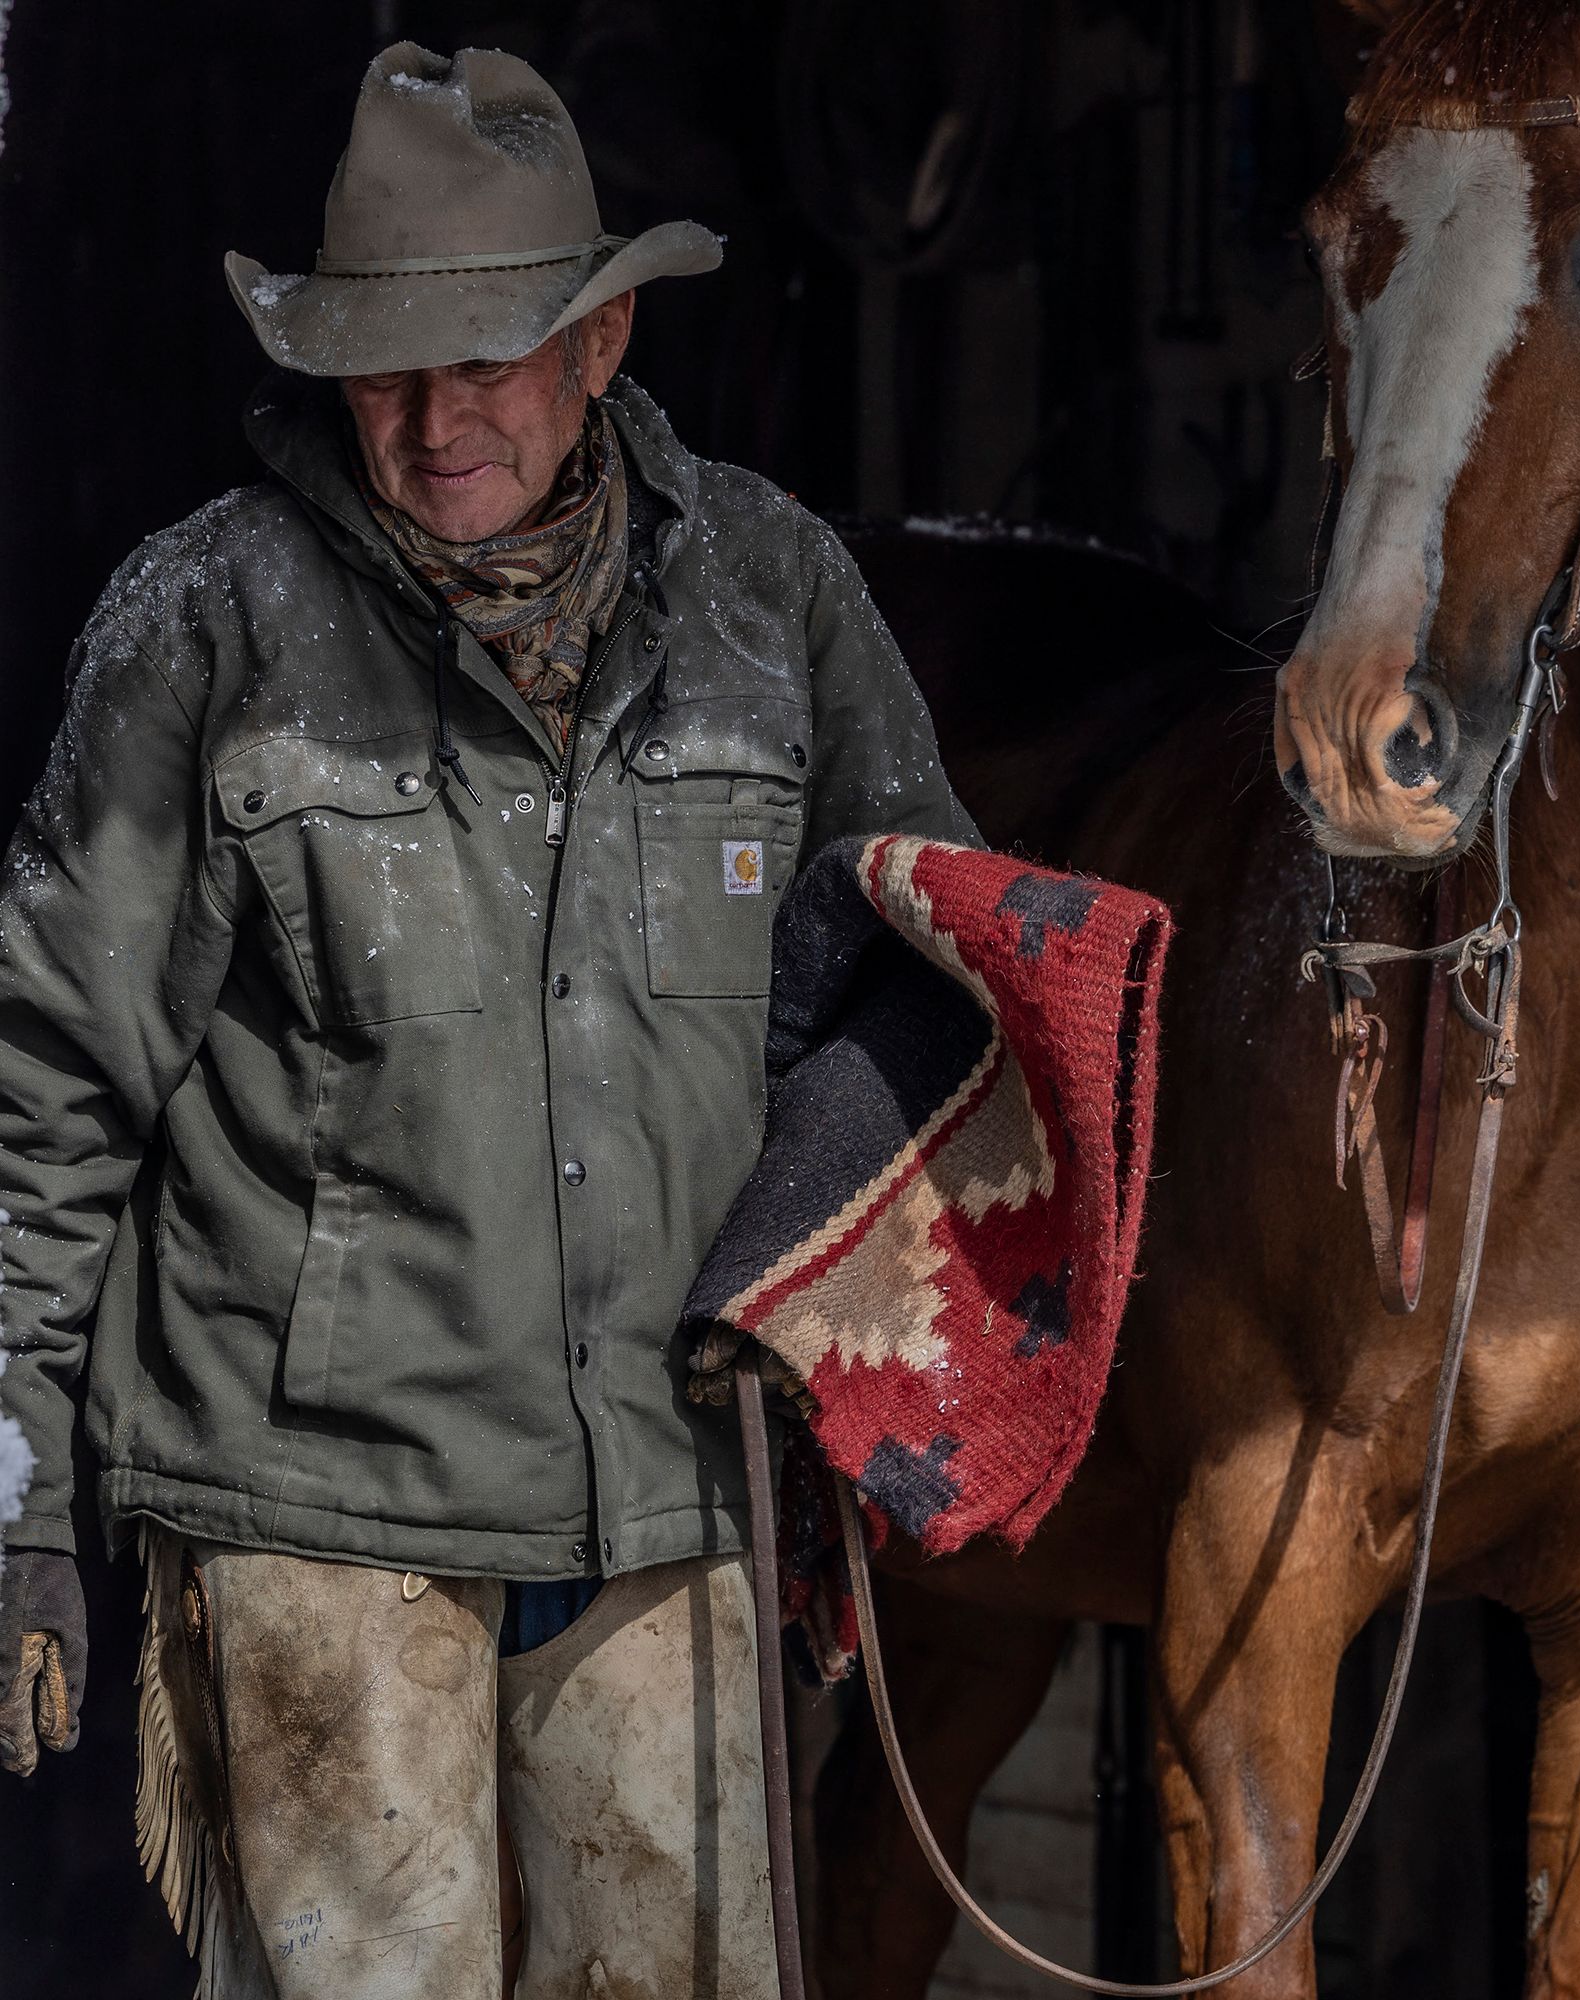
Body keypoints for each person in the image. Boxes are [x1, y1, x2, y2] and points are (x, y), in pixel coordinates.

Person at [0, 42, 971, 1997]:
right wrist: (18, 1496)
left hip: (668, 1505)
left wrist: (829, 1310)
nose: (436, 420)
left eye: (489, 358)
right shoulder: (204, 631)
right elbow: (47, 1079)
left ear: (601, 342)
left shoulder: (771, 595)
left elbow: (938, 952)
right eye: (385, 363)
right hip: (317, 1520)